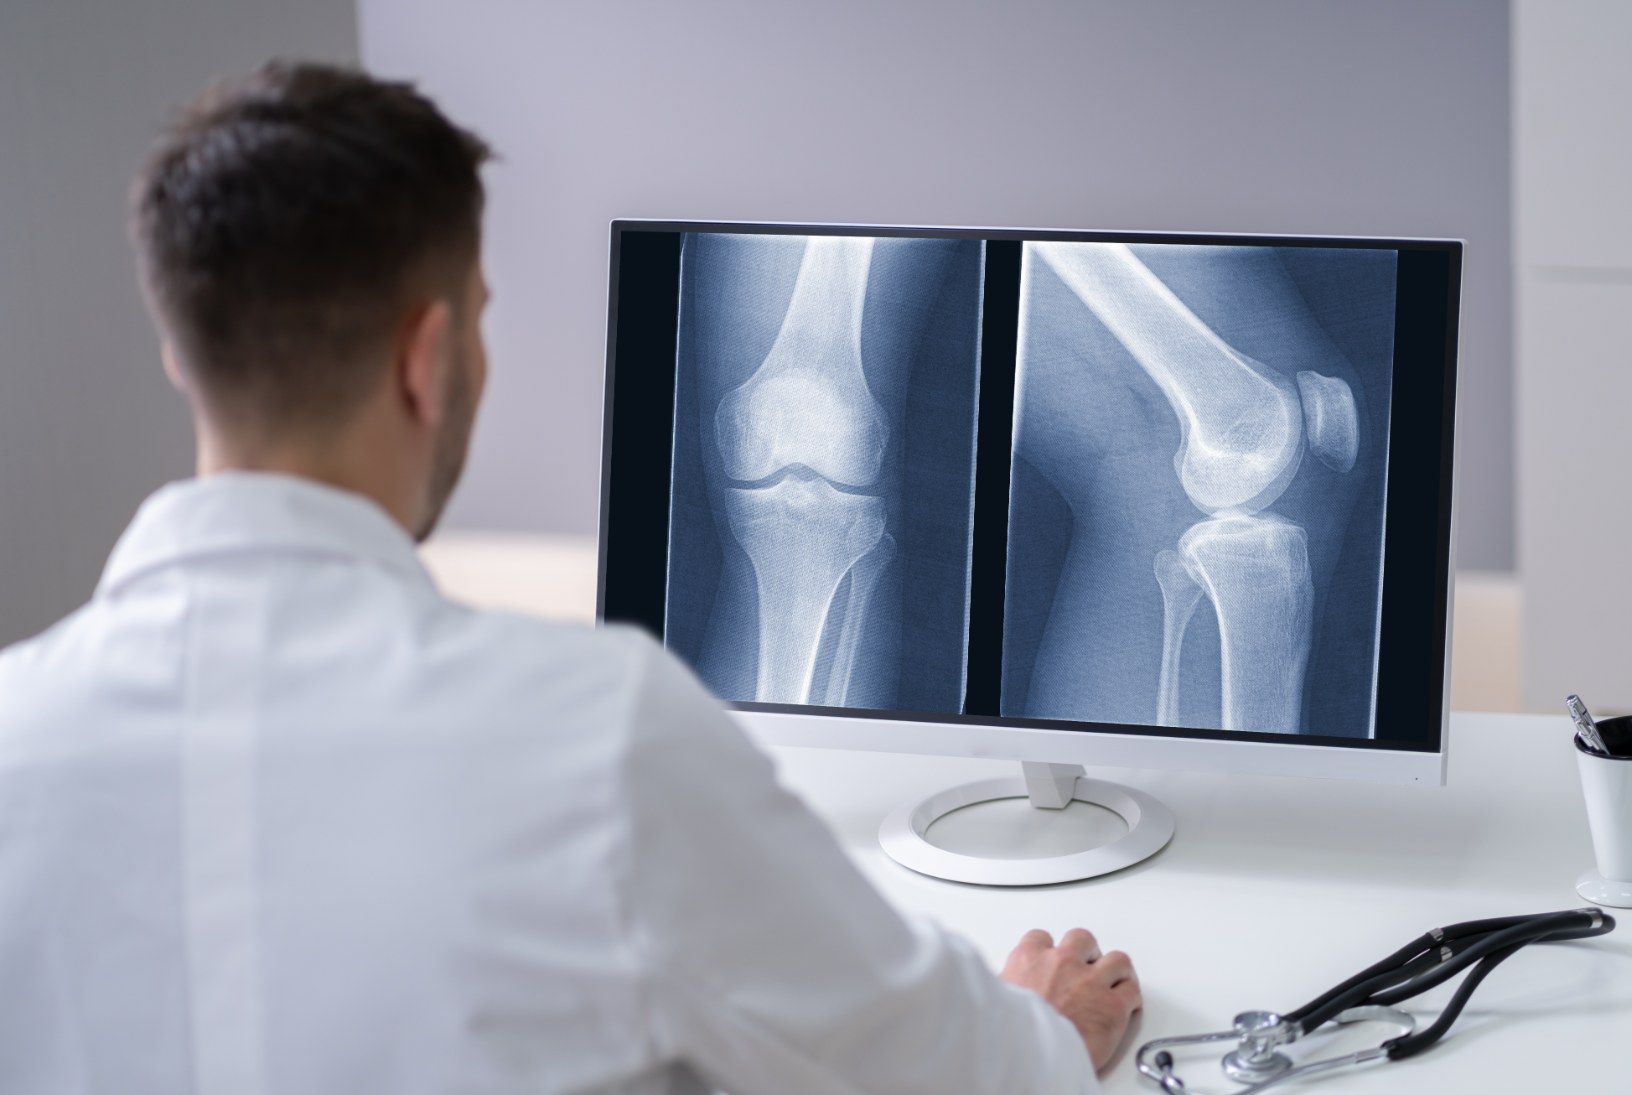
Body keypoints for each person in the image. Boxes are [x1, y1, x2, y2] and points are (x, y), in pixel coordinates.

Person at [0, 62, 1140, 1093]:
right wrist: (1039, 1034)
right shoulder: (599, 735)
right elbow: (946, 1072)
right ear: (428, 355)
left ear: (178, 348)